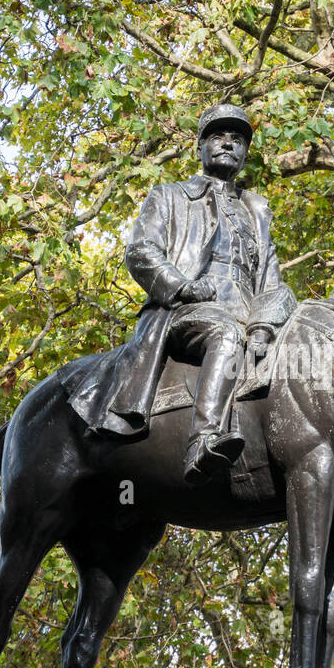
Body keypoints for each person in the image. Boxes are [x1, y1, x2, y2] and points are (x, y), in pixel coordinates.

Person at [66, 104, 295, 485]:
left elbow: (271, 280)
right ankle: (202, 442)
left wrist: (264, 325)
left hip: (251, 315)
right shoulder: (169, 196)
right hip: (186, 311)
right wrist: (184, 287)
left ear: (245, 153)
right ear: (200, 147)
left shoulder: (257, 213)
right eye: (218, 137)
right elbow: (141, 252)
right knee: (225, 332)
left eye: (237, 140)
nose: (228, 144)